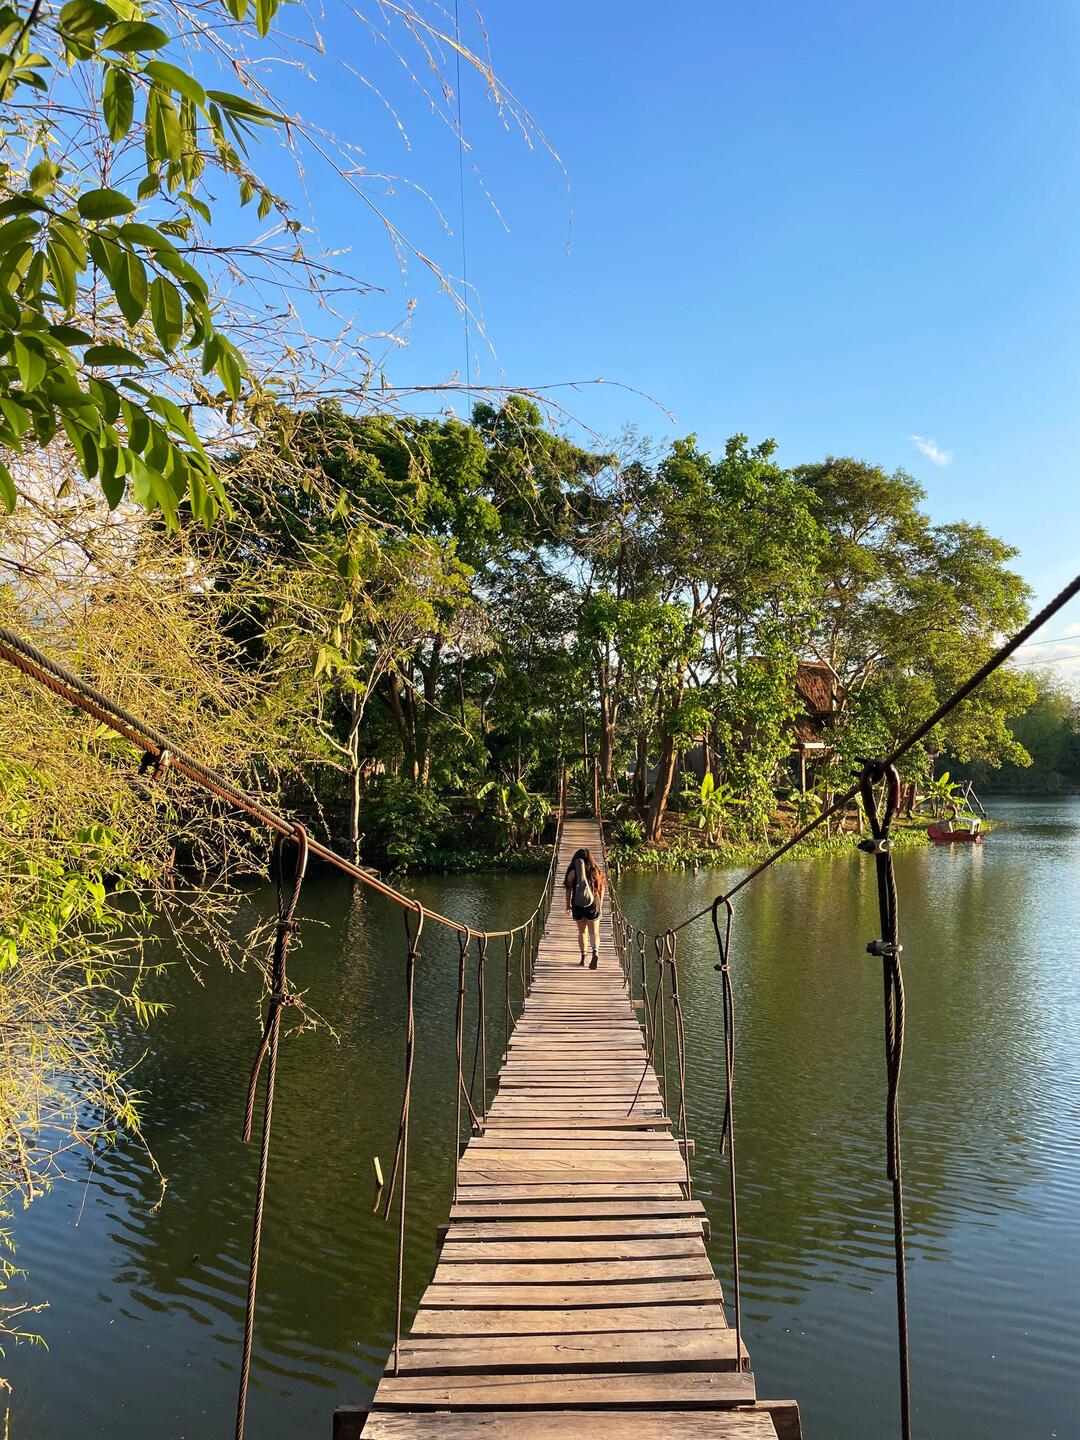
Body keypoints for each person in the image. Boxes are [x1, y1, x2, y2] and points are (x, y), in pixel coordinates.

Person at [564, 846, 605, 968]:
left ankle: (583, 958)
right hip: (593, 904)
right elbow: (601, 889)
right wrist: (600, 905)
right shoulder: (595, 870)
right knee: (594, 933)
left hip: (577, 904)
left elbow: (568, 891)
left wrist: (567, 906)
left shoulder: (572, 872)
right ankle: (595, 953)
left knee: (582, 932)